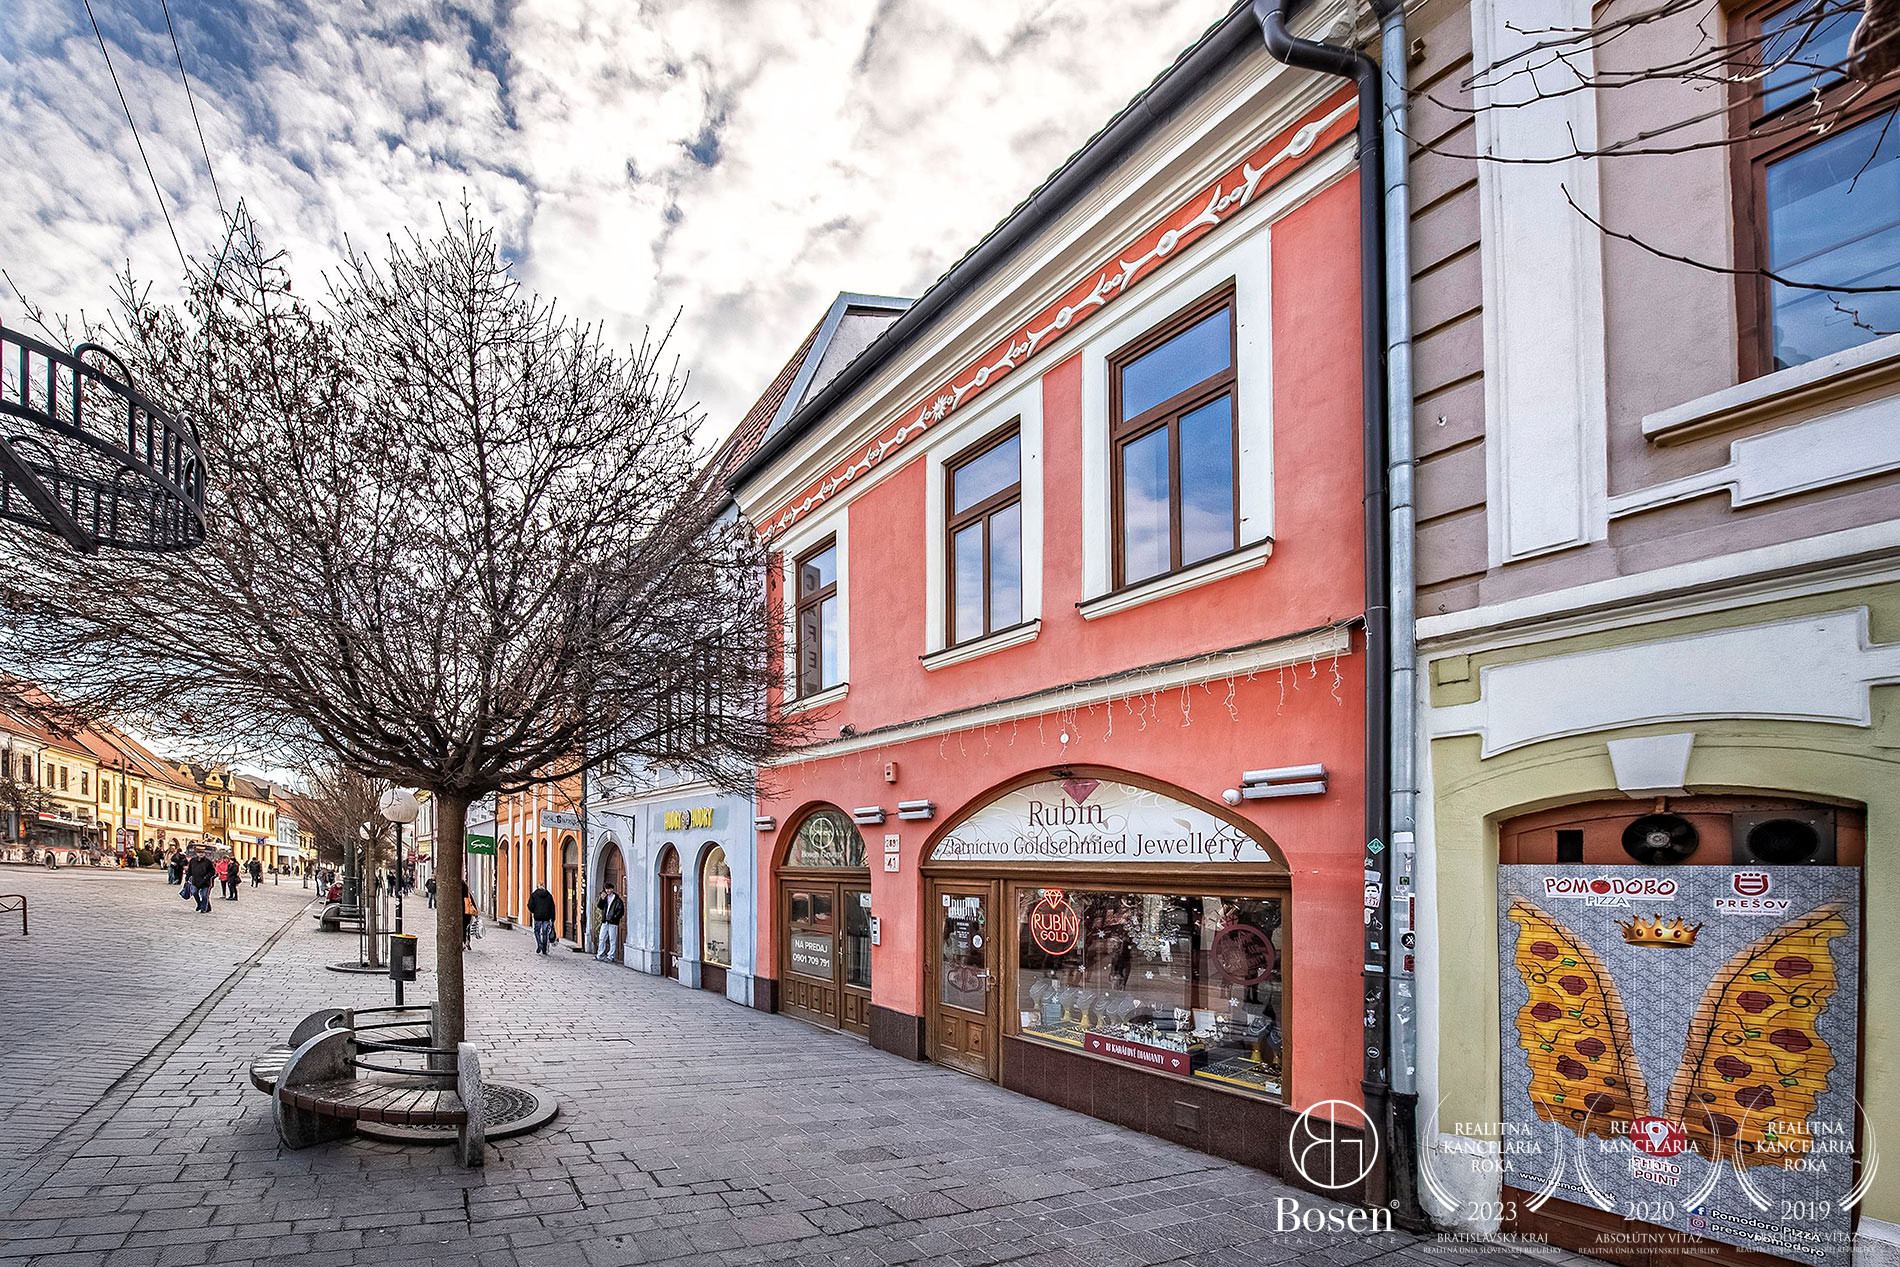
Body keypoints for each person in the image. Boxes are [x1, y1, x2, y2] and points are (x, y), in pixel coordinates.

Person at [594, 886, 624, 963]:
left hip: (613, 922)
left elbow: (620, 911)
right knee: (602, 938)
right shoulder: (605, 898)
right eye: (606, 889)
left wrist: (614, 918)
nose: (607, 891)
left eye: (609, 889)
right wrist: (602, 899)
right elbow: (599, 906)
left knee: (612, 939)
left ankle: (611, 956)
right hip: (605, 921)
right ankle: (600, 955)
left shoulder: (617, 900)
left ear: (612, 889)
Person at [526, 883, 557, 955]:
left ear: (537, 887)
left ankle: (539, 943)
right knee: (545, 933)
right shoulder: (549, 896)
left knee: (537, 931)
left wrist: (534, 911)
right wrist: (553, 918)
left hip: (537, 917)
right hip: (546, 917)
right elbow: (552, 907)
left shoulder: (534, 895)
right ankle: (544, 949)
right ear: (544, 887)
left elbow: (530, 905)